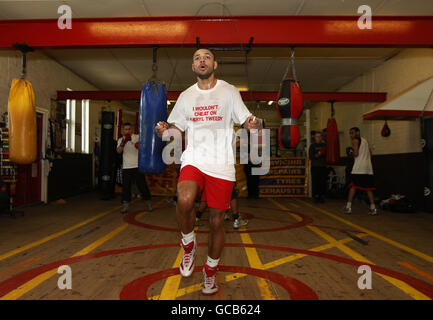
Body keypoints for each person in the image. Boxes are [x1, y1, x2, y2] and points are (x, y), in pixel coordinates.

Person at [155, 48, 260, 295]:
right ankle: (188, 243)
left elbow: (246, 119)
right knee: (184, 198)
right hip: (194, 159)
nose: (202, 60)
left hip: (222, 165)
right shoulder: (186, 96)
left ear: (215, 64)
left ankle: (210, 272)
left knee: (216, 222)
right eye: (197, 58)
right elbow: (175, 126)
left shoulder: (229, 91)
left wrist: (251, 124)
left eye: (207, 57)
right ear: (193, 67)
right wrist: (165, 130)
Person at [116, 122, 152, 214]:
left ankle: (148, 203)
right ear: (123, 130)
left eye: (129, 129)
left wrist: (138, 145)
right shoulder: (121, 140)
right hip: (126, 167)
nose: (127, 131)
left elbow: (145, 146)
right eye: (126, 129)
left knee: (142, 185)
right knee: (126, 188)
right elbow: (118, 151)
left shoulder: (137, 137)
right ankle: (125, 206)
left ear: (132, 129)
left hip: (137, 166)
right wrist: (123, 143)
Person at [343, 127, 378, 215]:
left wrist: (350, 153)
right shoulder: (365, 141)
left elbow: (356, 154)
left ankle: (348, 207)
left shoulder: (355, 140)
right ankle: (373, 209)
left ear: (357, 132)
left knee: (353, 187)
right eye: (350, 133)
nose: (351, 135)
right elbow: (370, 153)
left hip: (359, 168)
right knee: (368, 189)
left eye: (352, 133)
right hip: (368, 169)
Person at [308, 131, 327, 203]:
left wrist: (323, 153)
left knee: (322, 182)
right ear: (315, 138)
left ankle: (322, 196)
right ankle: (315, 196)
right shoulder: (312, 146)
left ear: (321, 137)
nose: (318, 138)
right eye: (317, 136)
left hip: (323, 166)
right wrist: (319, 153)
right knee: (315, 181)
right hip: (315, 166)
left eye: (320, 136)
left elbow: (328, 155)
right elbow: (311, 157)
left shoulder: (325, 145)